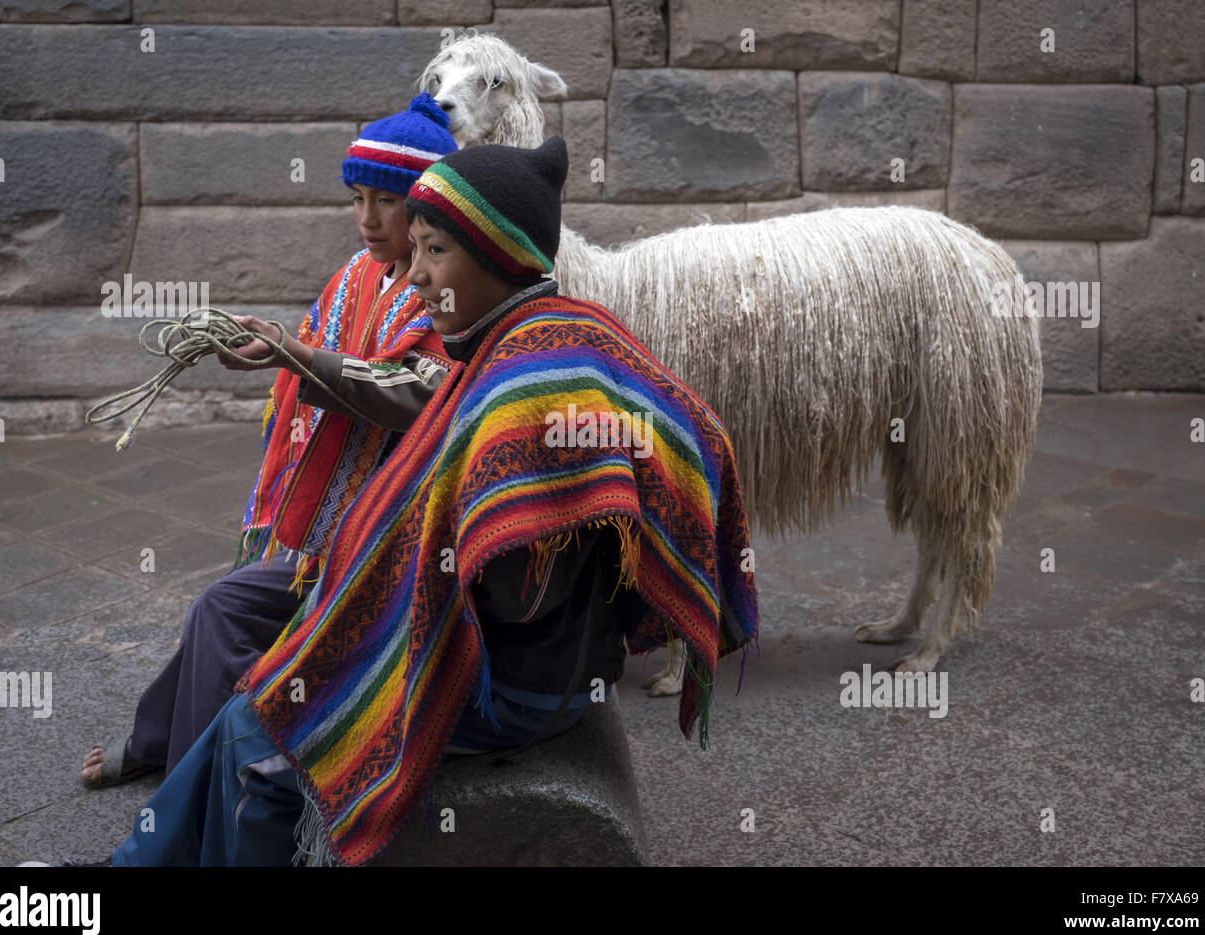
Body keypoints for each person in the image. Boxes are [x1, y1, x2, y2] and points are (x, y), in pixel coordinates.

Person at [102, 135, 759, 866]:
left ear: (499, 256)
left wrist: (383, 591)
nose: (412, 275)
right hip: (503, 647)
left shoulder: (530, 386)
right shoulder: (526, 337)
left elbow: (517, 600)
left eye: (433, 250)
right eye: (410, 250)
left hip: (518, 681)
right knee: (254, 686)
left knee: (272, 732)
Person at [79, 93, 458, 787]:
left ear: (430, 211)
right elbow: (316, 349)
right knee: (220, 606)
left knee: (225, 612)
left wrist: (293, 355)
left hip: (388, 541)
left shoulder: (444, 295)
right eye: (358, 198)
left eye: (388, 201)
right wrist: (270, 350)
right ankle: (161, 745)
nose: (368, 218)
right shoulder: (358, 275)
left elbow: (412, 394)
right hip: (335, 531)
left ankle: (183, 796)